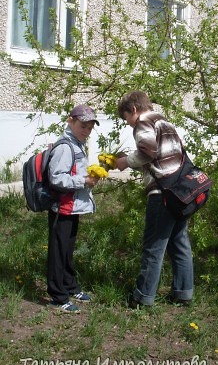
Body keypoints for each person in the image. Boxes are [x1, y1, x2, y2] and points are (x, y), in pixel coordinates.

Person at [116, 90, 194, 308]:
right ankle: (183, 292)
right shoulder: (165, 123)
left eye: (126, 119)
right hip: (180, 191)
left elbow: (147, 151)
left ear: (133, 109)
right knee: (179, 243)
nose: (129, 124)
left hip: (162, 193)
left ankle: (142, 298)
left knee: (153, 247)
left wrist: (125, 162)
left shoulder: (142, 122)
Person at [47, 104, 100, 313]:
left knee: (67, 250)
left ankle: (69, 286)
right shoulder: (65, 147)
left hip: (73, 207)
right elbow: (56, 178)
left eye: (89, 127)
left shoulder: (77, 144)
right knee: (58, 252)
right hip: (62, 208)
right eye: (82, 126)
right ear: (71, 121)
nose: (86, 131)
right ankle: (58, 296)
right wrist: (84, 181)